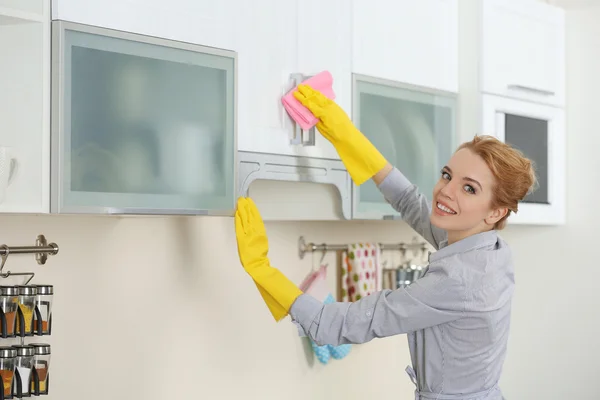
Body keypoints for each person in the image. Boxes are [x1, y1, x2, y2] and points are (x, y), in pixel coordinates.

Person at [234, 85, 536, 400]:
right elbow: (410, 201)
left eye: (470, 188)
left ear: (497, 211)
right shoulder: (489, 249)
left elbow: (336, 326)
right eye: (447, 175)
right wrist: (344, 134)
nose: (446, 191)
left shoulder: (460, 281)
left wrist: (261, 269)